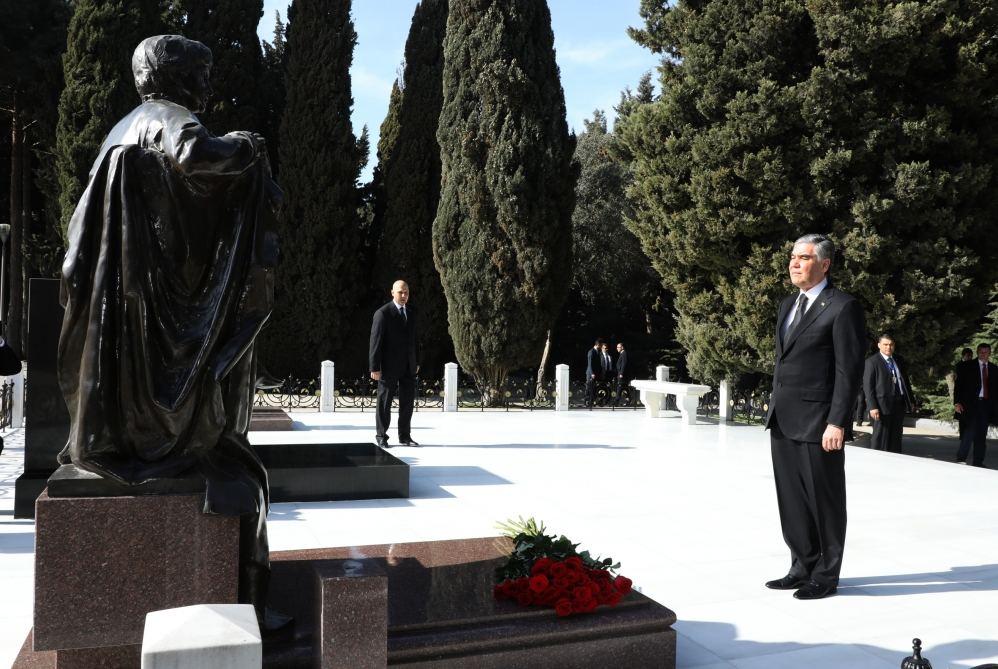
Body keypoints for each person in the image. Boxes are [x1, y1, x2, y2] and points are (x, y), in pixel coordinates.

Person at [56, 35, 281, 624]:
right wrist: (246, 146)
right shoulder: (167, 118)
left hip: (129, 321)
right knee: (244, 472)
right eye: (201, 75)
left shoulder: (121, 128)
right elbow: (197, 157)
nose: (207, 87)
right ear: (178, 78)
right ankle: (250, 602)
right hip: (157, 326)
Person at [764, 234, 865, 600]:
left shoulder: (842, 307)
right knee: (791, 498)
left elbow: (848, 371)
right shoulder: (787, 305)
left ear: (824, 264)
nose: (794, 263)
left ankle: (826, 574)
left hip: (820, 423)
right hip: (783, 418)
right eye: (792, 256)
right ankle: (801, 564)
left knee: (825, 502)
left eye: (803, 257)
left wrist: (837, 422)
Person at [370, 280, 419, 447]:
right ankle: (381, 436)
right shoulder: (382, 314)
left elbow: (414, 340)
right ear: (392, 292)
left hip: (408, 366)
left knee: (407, 403)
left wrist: (416, 361)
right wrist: (374, 367)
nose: (404, 295)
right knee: (385, 403)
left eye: (406, 292)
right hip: (388, 367)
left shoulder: (411, 313)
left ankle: (405, 436)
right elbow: (375, 342)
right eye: (400, 292)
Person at [863, 334, 913, 453]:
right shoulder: (872, 362)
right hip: (881, 406)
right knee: (880, 437)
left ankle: (894, 460)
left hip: (898, 404)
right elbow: (868, 386)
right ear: (879, 345)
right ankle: (876, 461)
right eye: (885, 344)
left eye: (891, 345)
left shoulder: (899, 360)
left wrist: (911, 400)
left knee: (896, 436)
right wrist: (872, 406)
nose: (888, 347)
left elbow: (905, 381)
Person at [953, 343, 998, 466]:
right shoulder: (967, 367)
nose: (984, 354)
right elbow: (959, 386)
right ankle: (961, 458)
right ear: (977, 352)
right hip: (970, 404)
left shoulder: (994, 369)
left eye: (986, 352)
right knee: (969, 431)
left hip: (986, 405)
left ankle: (978, 462)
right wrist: (957, 402)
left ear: (990, 353)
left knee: (982, 434)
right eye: (981, 352)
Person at [585, 338, 604, 408]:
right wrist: (592, 373)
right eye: (601, 345)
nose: (601, 346)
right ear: (598, 345)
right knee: (589, 388)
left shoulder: (597, 352)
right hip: (590, 373)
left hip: (595, 373)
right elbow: (590, 364)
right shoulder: (591, 352)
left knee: (593, 388)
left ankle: (591, 401)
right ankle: (587, 401)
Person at [613, 342, 631, 406]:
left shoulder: (624, 353)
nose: (617, 348)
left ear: (622, 347)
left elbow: (624, 364)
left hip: (621, 374)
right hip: (620, 373)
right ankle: (628, 400)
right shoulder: (622, 353)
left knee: (619, 387)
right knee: (624, 387)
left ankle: (616, 401)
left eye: (618, 347)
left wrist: (621, 373)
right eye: (617, 347)